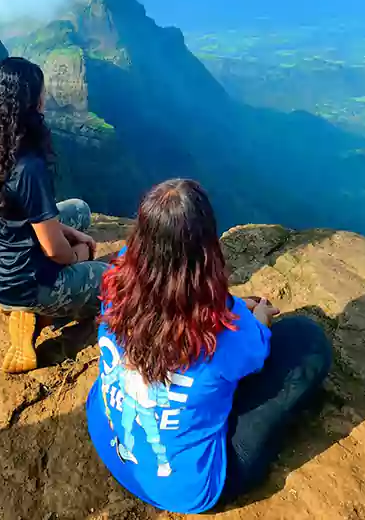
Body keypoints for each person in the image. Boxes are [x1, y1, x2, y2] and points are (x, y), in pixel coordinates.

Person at [86, 179, 332, 515]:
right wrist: (256, 315)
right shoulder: (226, 331)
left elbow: (166, 303)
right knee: (306, 340)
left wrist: (231, 308)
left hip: (107, 435)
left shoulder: (117, 281)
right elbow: (256, 353)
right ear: (207, 248)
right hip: (184, 488)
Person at [0, 56, 106, 373]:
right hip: (24, 283)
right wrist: (82, 253)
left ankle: (17, 304)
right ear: (29, 102)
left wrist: (71, 231)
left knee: (79, 210)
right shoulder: (28, 167)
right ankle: (37, 312)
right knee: (110, 279)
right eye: (41, 92)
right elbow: (55, 251)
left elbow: (21, 219)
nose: (45, 98)